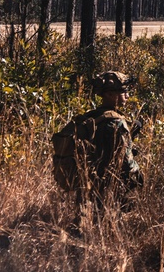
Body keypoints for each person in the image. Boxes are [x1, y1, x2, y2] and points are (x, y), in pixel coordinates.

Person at [54, 71, 143, 213]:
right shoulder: (116, 122)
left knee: (82, 226)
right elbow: (126, 163)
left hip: (86, 190)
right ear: (109, 94)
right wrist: (138, 176)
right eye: (123, 91)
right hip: (108, 193)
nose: (127, 95)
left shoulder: (91, 117)